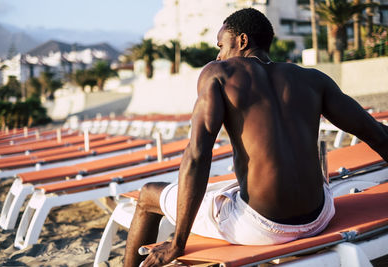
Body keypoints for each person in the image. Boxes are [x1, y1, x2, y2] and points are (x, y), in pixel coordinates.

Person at [124, 8, 388, 267]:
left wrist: (177, 242)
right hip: (320, 215)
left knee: (147, 195)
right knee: (228, 188)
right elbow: (375, 133)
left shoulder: (218, 74)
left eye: (221, 44)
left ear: (242, 40)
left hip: (263, 226)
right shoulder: (312, 79)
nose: (219, 54)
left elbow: (197, 156)